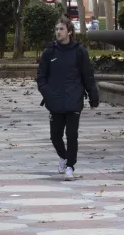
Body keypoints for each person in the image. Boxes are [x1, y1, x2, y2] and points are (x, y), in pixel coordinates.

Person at [36, 15, 99, 181]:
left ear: (69, 31)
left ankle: (70, 166)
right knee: (55, 135)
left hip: (74, 100)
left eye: (61, 29)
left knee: (72, 135)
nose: (58, 32)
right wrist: (47, 93)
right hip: (54, 101)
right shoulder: (49, 51)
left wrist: (93, 96)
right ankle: (63, 157)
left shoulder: (79, 52)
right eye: (56, 29)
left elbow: (88, 75)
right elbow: (41, 76)